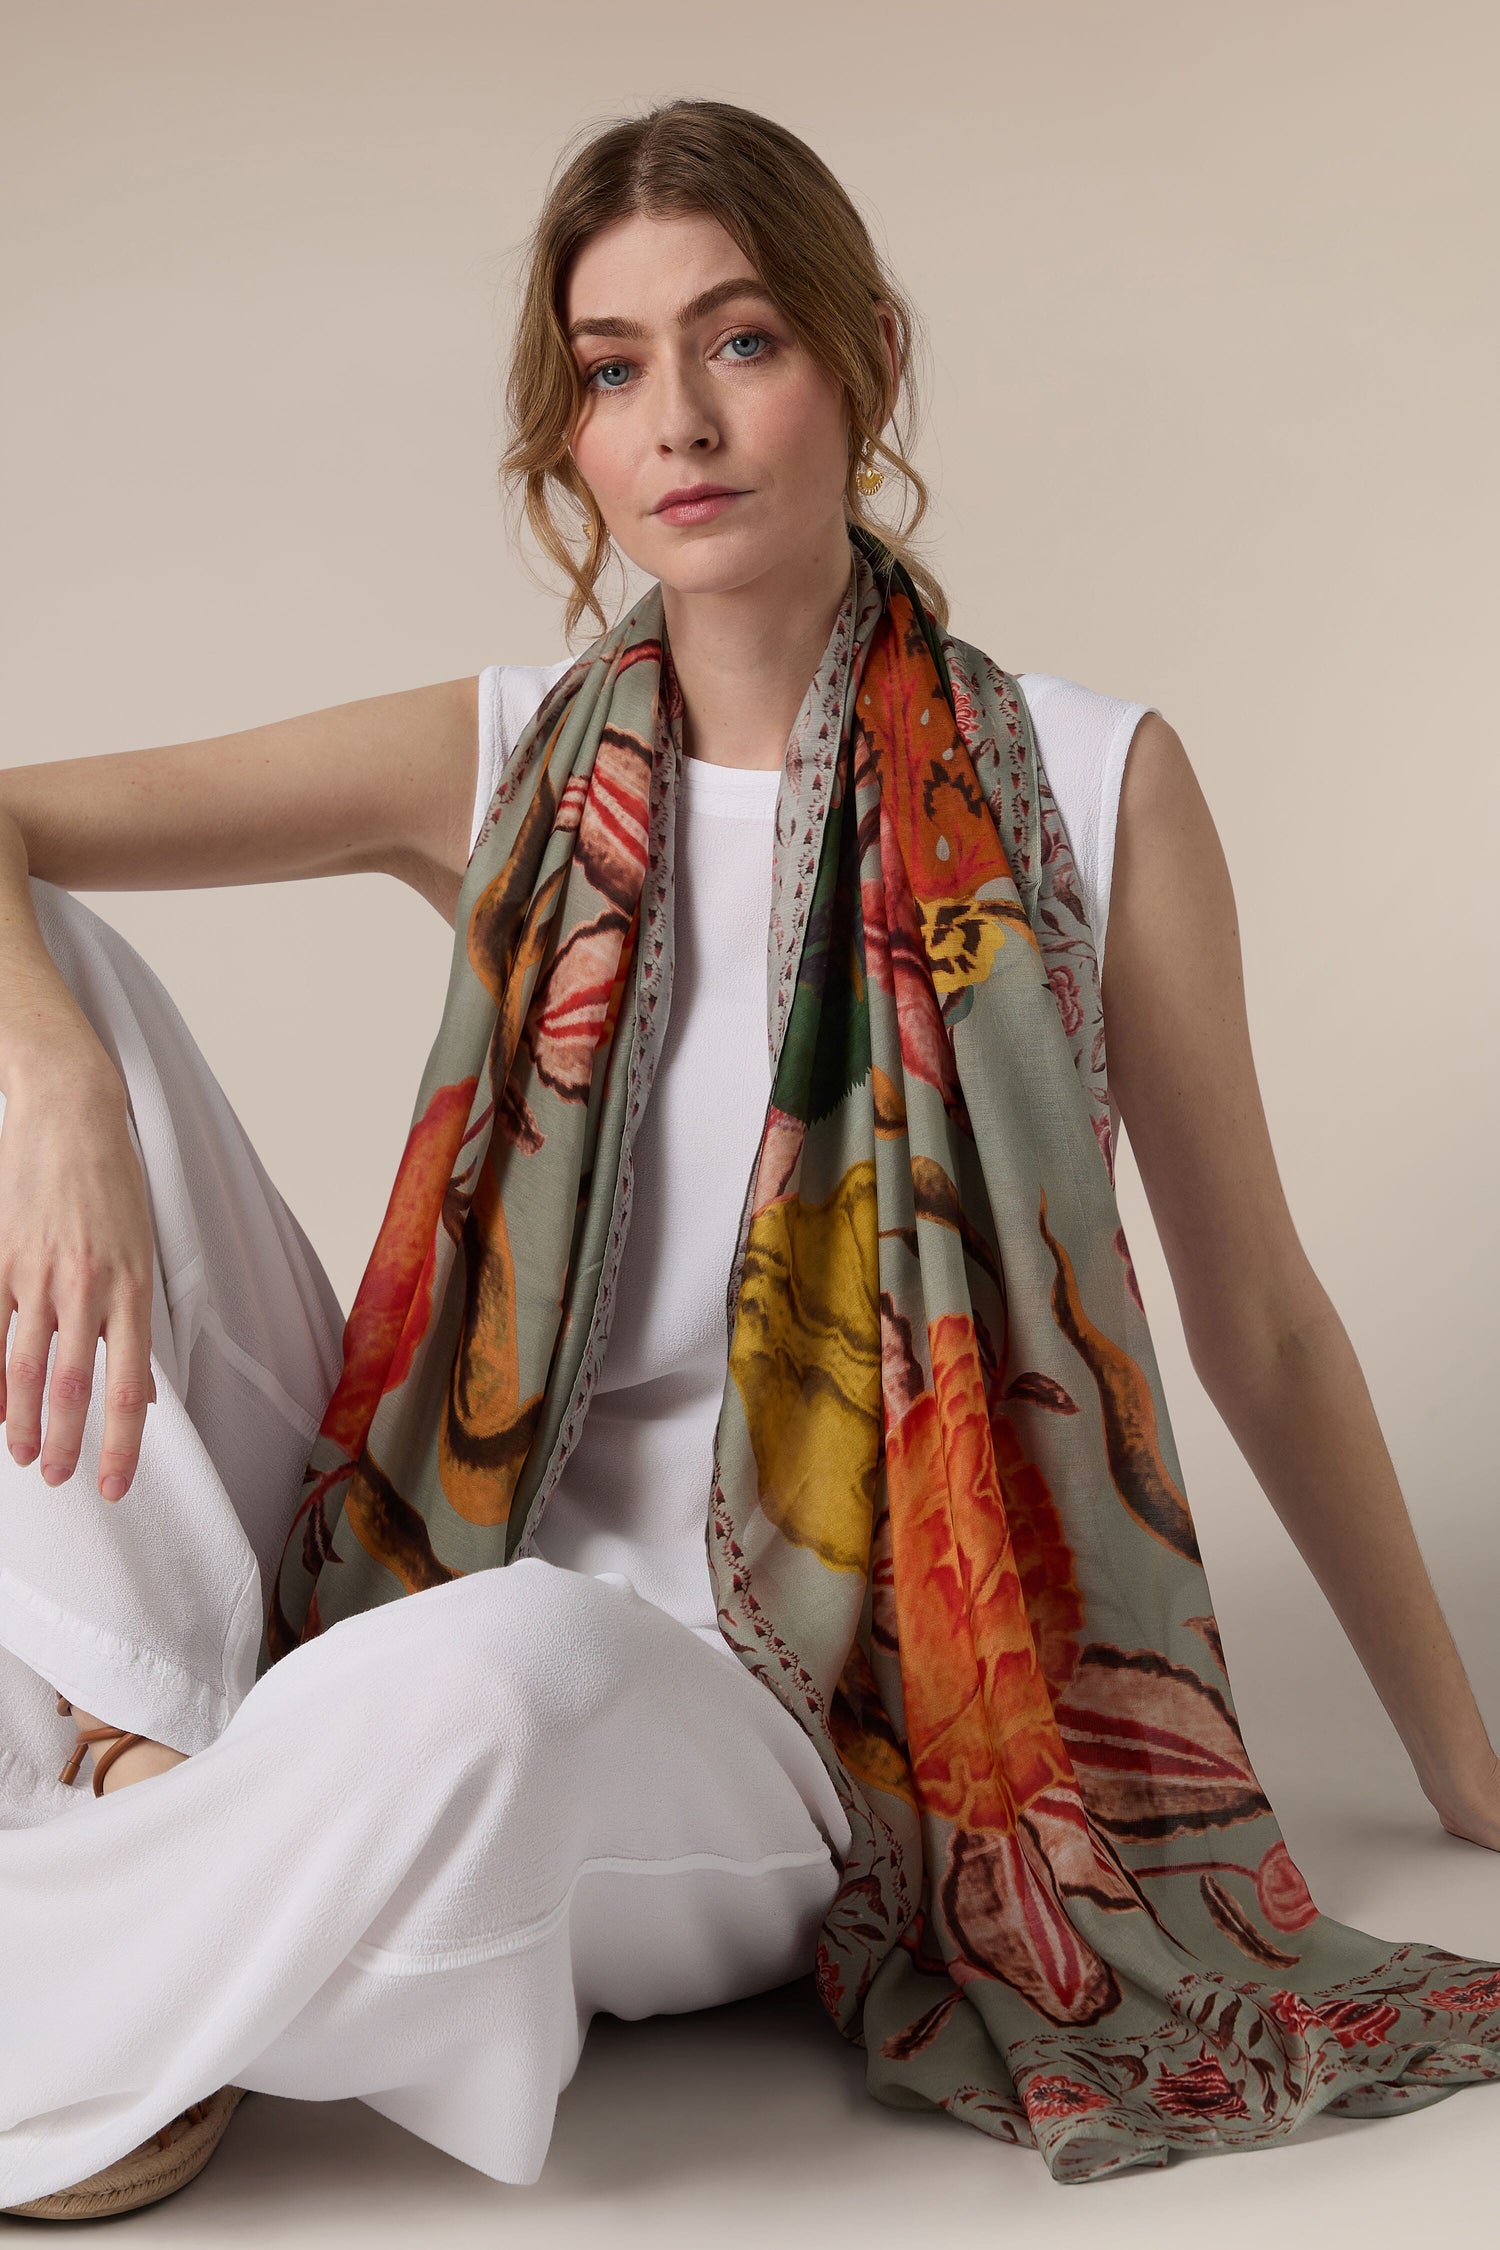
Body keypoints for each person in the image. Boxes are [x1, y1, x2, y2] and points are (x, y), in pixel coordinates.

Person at [2, 97, 1497, 2219]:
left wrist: (1459, 1763)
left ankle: (114, 1867)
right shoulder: (508, 753)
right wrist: (57, 1086)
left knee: (494, 1678)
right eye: (613, 369)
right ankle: (184, 1843)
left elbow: (1256, 1310)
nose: (680, 421)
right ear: (573, 439)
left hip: (759, 1718)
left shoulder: (1088, 784)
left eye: (742, 341)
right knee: (22, 970)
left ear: (863, 355)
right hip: (412, 1546)